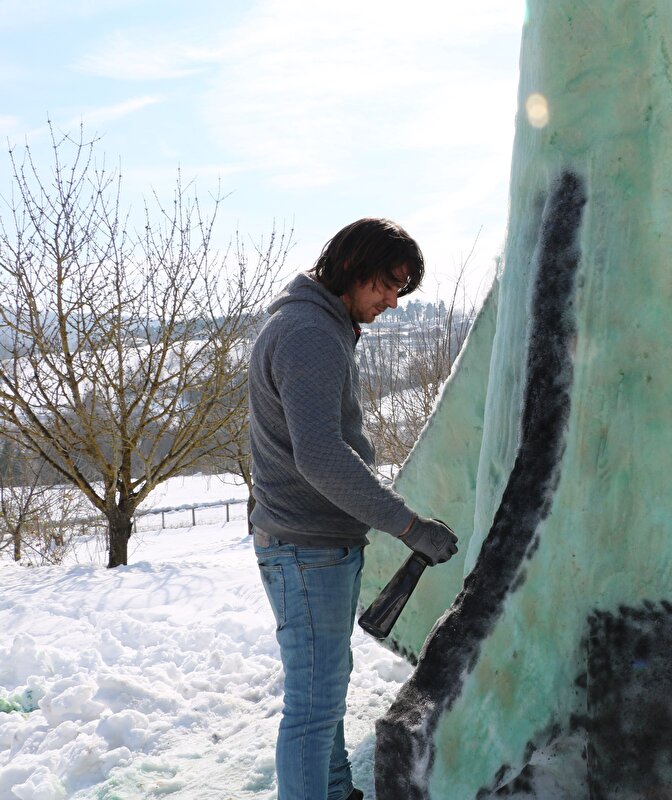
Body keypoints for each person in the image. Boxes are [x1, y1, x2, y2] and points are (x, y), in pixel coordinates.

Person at [248, 218, 458, 800]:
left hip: (309, 542)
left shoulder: (316, 323)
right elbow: (319, 455)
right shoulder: (310, 333)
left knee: (325, 692)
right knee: (312, 709)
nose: (392, 302)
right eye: (386, 285)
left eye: (401, 289)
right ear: (350, 267)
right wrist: (408, 526)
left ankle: (337, 790)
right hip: (305, 549)